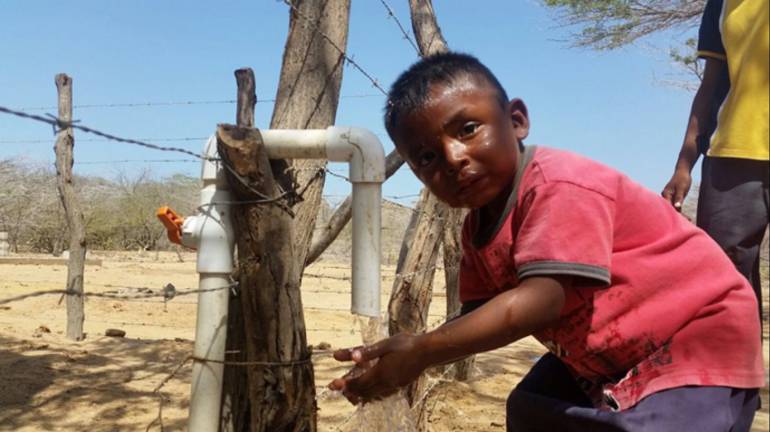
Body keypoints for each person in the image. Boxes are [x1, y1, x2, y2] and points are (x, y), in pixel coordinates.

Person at [329, 52, 765, 431]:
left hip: (695, 335)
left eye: (468, 129)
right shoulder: (477, 229)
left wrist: (422, 352)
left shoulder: (558, 184)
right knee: (530, 409)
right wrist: (399, 358)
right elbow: (478, 317)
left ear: (517, 121)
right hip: (613, 354)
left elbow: (541, 301)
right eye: (426, 157)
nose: (453, 158)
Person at [661, 0, 769, 323]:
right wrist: (684, 164)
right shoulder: (721, 4)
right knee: (724, 283)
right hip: (733, 156)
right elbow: (710, 86)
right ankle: (735, 356)